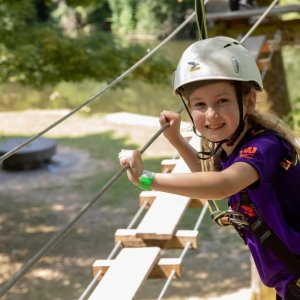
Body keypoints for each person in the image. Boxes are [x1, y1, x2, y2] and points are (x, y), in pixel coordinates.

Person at [118, 36, 300, 300]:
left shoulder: (263, 147)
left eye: (223, 101)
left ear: (248, 101)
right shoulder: (235, 145)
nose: (211, 114)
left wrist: (147, 179)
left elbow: (223, 185)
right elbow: (212, 179)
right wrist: (177, 140)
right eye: (200, 105)